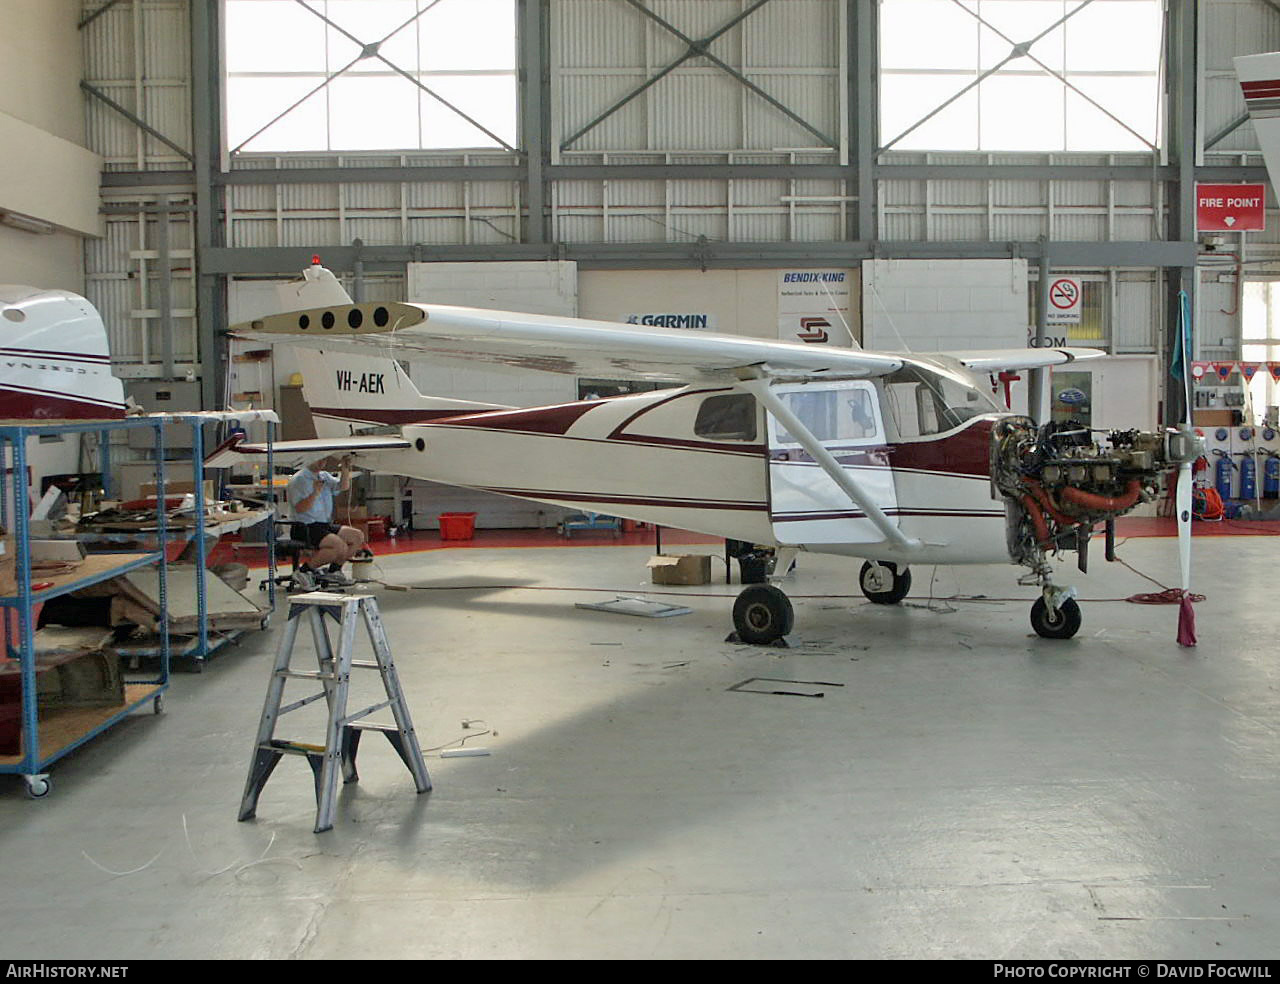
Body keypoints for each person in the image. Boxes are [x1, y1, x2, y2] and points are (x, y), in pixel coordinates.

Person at [286, 455, 365, 578]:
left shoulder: (324, 476)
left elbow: (343, 487)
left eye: (324, 459)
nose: (321, 462)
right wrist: (315, 493)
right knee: (339, 546)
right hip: (305, 526)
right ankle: (304, 571)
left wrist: (345, 469)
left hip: (323, 524)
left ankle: (335, 570)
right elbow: (300, 509)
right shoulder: (299, 480)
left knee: (357, 536)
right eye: (319, 458)